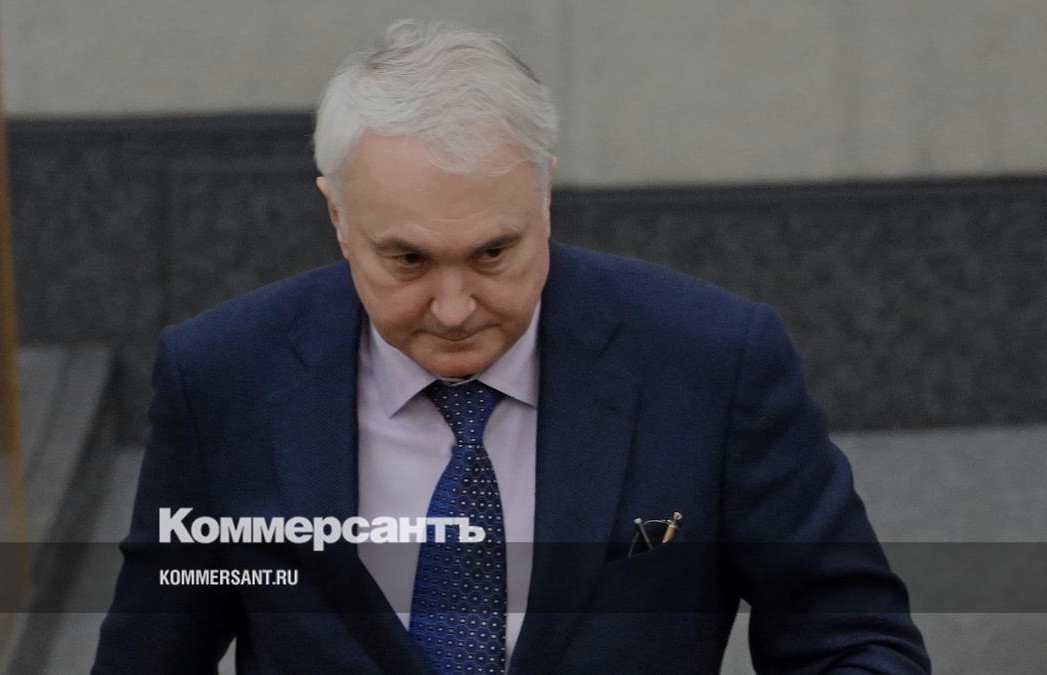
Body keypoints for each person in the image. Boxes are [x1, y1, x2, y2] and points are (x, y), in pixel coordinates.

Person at [94, 19, 930, 674]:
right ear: (338, 217)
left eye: (494, 252)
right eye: (407, 259)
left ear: (545, 196)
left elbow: (858, 643)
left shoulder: (712, 362)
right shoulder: (222, 380)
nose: (455, 308)